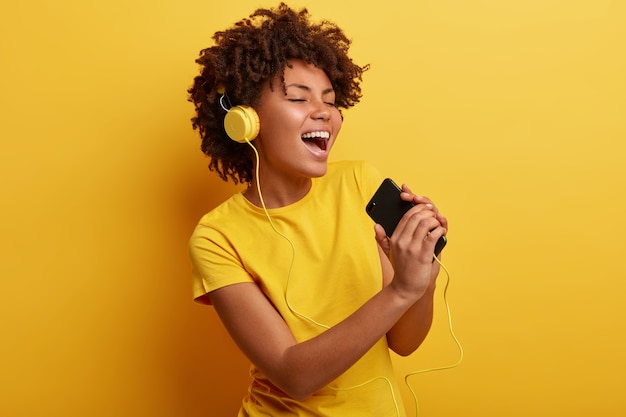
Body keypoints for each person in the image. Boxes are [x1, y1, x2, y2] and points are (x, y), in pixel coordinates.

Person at [187, 4, 448, 416]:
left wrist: (420, 280)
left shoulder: (360, 183)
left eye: (329, 99)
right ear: (246, 121)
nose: (324, 111)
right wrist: (400, 292)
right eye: (297, 97)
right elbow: (295, 376)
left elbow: (404, 342)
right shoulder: (217, 237)